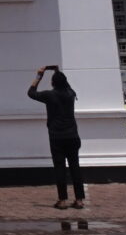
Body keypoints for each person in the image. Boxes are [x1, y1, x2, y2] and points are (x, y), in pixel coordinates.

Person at [29, 65, 85, 208]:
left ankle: (62, 200)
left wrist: (39, 76)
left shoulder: (49, 95)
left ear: (53, 83)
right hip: (72, 135)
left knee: (60, 168)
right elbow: (66, 84)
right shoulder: (71, 94)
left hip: (56, 137)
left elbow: (31, 92)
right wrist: (57, 71)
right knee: (75, 167)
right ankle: (79, 200)